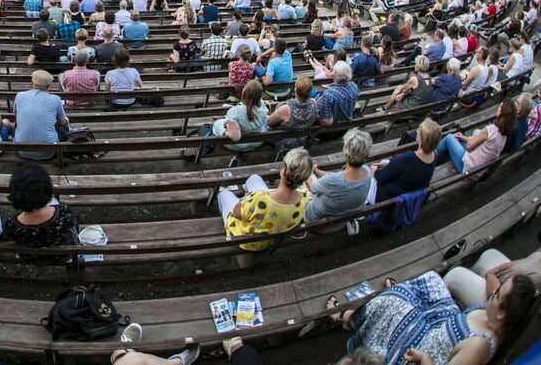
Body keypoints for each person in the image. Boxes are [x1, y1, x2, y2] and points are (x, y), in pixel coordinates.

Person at [337, 270, 537, 365]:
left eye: (497, 295)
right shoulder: (495, 317)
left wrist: (424, 358)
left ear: (502, 313)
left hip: (420, 352)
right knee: (430, 280)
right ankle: (356, 316)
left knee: (396, 300)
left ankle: (348, 319)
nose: (492, 293)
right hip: (440, 323)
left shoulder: (479, 346)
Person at [217, 148, 313, 250]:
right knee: (254, 178)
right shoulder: (305, 196)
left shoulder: (259, 199)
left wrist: (246, 200)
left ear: (284, 170)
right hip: (271, 236)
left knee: (224, 194)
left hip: (246, 241)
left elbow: (237, 213)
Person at [3, 164, 79, 263]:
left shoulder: (11, 224)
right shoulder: (63, 212)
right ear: (47, 189)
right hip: (63, 256)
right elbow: (73, 225)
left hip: (30, 257)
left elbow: (13, 239)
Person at [305, 128, 373, 223]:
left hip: (316, 218)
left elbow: (312, 187)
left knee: (302, 180)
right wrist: (316, 170)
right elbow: (335, 178)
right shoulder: (367, 171)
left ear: (346, 152)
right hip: (343, 217)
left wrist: (307, 170)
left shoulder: (333, 180)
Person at [444, 247, 541, 310]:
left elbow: (499, 296)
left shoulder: (537, 279)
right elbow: (516, 263)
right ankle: (463, 294)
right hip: (499, 280)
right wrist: (496, 270)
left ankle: (442, 303)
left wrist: (490, 275)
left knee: (454, 275)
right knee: (489, 254)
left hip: (494, 302)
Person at [370, 118, 441, 204]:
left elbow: (380, 177)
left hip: (390, 199)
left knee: (368, 174)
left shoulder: (408, 158)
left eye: (418, 131)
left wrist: (373, 169)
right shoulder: (434, 155)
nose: (416, 132)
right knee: (385, 161)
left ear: (421, 140)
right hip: (409, 192)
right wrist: (389, 165)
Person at [435, 99, 516, 173]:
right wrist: (465, 138)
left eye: (500, 106)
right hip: (478, 170)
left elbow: (469, 147)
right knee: (461, 137)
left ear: (503, 112)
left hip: (466, 167)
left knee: (449, 138)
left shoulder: (490, 130)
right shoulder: (504, 135)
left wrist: (468, 140)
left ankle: (430, 154)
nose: (498, 107)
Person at [13, 70, 68, 161]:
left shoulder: (19, 95)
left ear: (32, 82)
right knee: (64, 122)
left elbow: (17, 118)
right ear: (48, 86)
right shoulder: (56, 99)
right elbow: (61, 122)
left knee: (18, 123)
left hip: (21, 150)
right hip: (49, 152)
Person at [213, 79, 269, 152]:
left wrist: (227, 124)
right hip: (258, 141)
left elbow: (235, 137)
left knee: (217, 123)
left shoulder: (235, 111)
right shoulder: (263, 106)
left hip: (239, 145)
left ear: (244, 92)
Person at [267, 76, 319, 152]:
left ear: (296, 90)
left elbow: (269, 122)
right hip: (303, 140)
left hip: (285, 141)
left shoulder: (286, 108)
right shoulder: (314, 104)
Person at [317, 62, 360, 139]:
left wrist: (315, 116)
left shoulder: (328, 94)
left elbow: (327, 122)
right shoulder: (354, 86)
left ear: (335, 75)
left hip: (331, 132)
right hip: (347, 126)